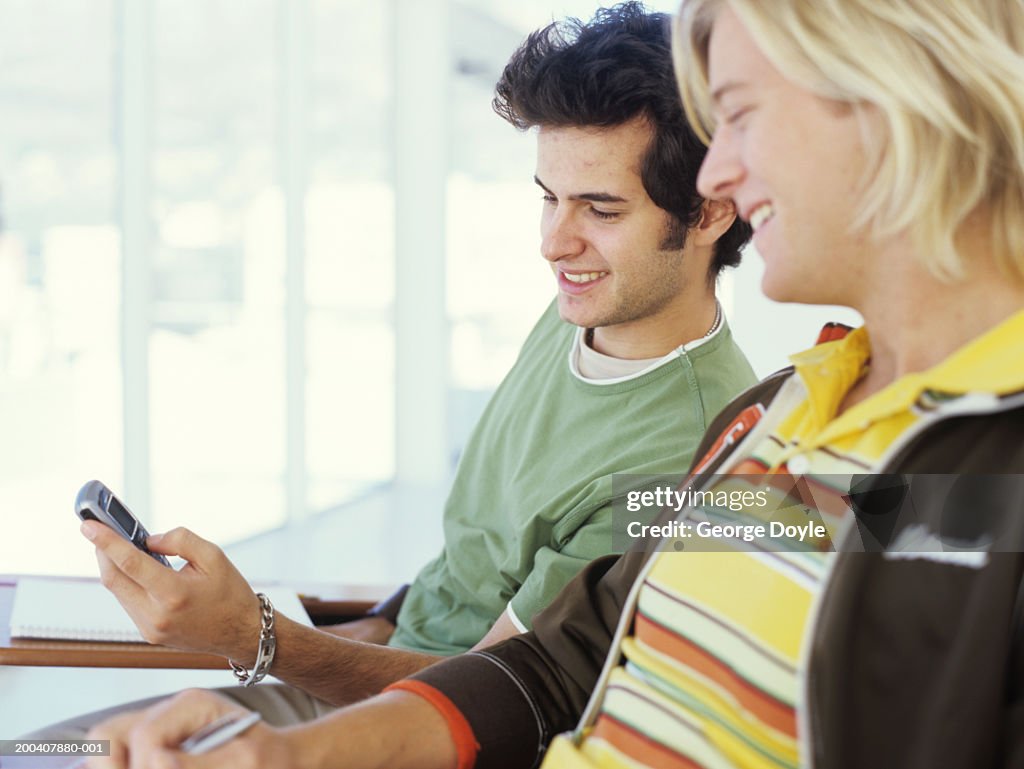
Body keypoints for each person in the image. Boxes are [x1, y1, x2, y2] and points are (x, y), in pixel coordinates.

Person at [84, 0, 1024, 767]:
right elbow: (571, 656)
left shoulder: (979, 477)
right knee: (57, 750)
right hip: (393, 697)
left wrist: (260, 641)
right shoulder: (776, 413)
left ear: (899, 107)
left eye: (743, 111)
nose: (725, 166)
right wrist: (288, 752)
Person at [34, 0, 754, 745]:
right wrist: (341, 626)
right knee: (44, 749)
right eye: (548, 198)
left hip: (403, 726)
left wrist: (254, 634)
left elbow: (491, 696)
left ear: (709, 214)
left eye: (599, 210)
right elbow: (476, 560)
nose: (553, 242)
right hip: (364, 663)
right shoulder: (592, 303)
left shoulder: (686, 453)